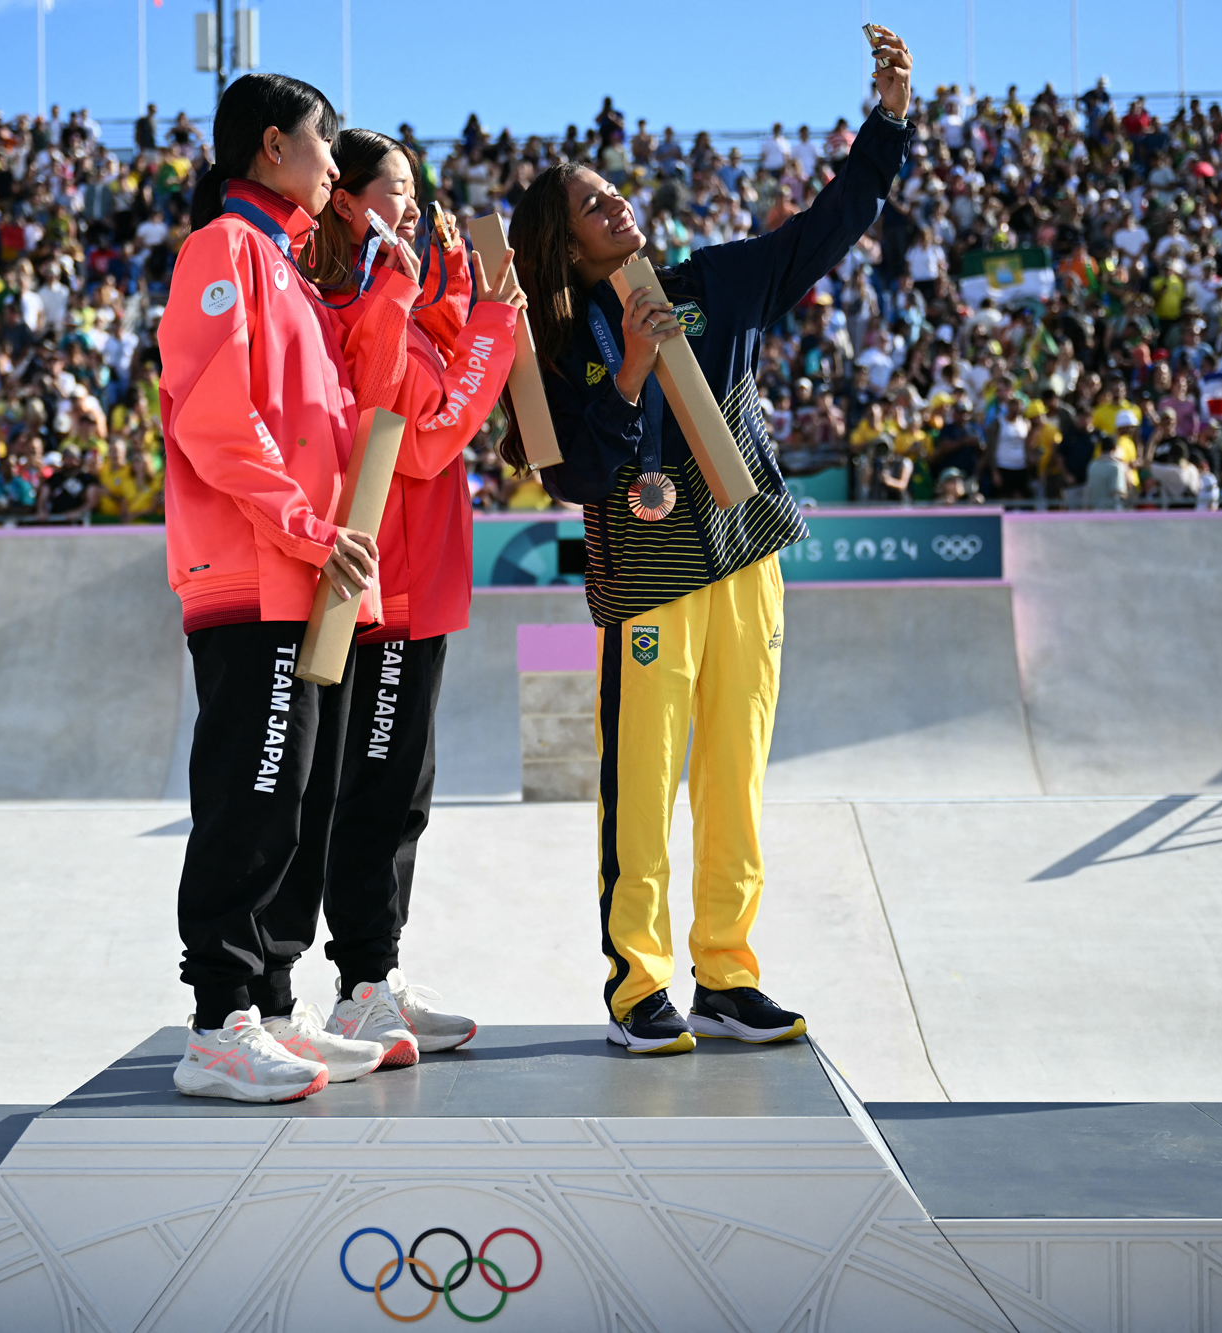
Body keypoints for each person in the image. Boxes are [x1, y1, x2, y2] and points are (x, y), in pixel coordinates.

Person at [506, 25, 915, 1055]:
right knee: (638, 790)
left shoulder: (714, 282)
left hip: (747, 562)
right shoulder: (554, 347)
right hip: (647, 585)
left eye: (615, 193)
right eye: (592, 206)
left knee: (732, 778)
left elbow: (829, 226)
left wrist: (888, 122)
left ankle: (726, 974)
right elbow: (567, 478)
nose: (617, 206)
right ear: (563, 244)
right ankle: (638, 985)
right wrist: (633, 372)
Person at [156, 72, 390, 1103]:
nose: (334, 164)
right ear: (268, 148)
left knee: (299, 799)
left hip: (302, 574)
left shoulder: (289, 269)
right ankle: (216, 1019)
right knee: (250, 799)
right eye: (320, 143)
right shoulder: (223, 251)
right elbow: (212, 419)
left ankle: (274, 1007)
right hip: (255, 573)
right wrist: (304, 527)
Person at [300, 128, 526, 1063]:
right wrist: (489, 330)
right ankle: (356, 985)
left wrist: (469, 305)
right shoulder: (355, 302)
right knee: (373, 791)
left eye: (417, 189)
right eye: (394, 189)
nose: (417, 207)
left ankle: (376, 974)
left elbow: (449, 397)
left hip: (424, 583)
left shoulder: (416, 306)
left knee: (407, 793)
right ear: (347, 201)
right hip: (381, 589)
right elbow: (424, 438)